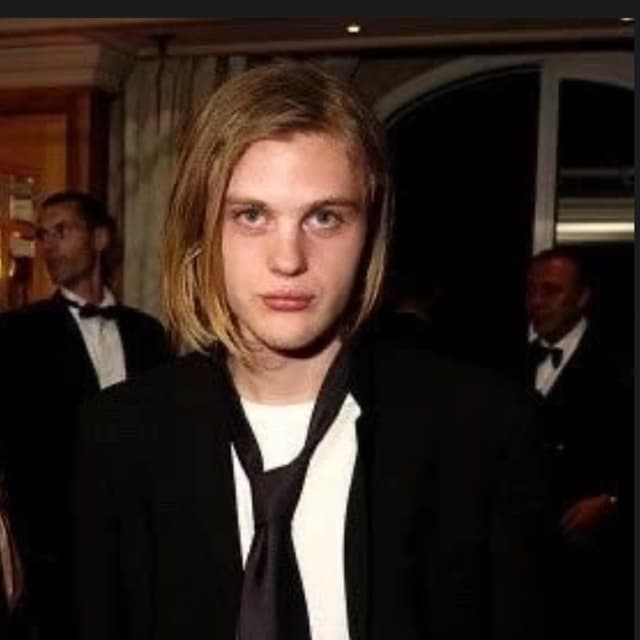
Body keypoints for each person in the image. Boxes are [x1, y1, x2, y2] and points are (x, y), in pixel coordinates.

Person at [73, 62, 546, 640]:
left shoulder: (482, 430)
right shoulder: (120, 437)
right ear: (201, 231)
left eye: (324, 218)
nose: (288, 259)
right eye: (252, 216)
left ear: (369, 232)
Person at [0, 191, 172, 639]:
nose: (49, 246)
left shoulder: (148, 333)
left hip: (140, 543)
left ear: (99, 238)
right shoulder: (17, 335)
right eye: (43, 235)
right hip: (55, 556)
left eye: (62, 231)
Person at [525, 246, 632, 640]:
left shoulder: (619, 364)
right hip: (525, 545)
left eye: (551, 290)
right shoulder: (508, 360)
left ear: (583, 297)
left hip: (588, 549)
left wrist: (613, 499)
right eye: (531, 290)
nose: (537, 301)